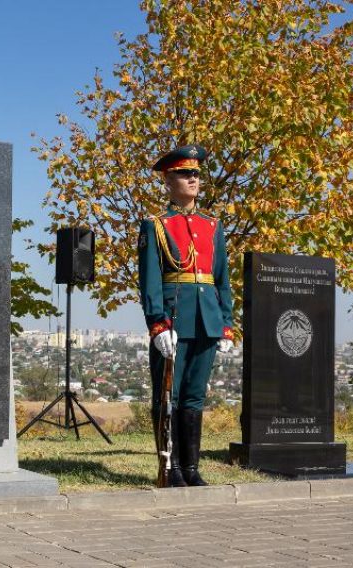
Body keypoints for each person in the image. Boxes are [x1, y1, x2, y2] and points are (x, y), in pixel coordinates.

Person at [137, 144, 233, 487]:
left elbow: (221, 279)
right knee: (168, 396)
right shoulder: (156, 225)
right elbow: (149, 279)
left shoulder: (212, 225)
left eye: (195, 173)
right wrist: (157, 323)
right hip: (174, 320)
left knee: (194, 396)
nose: (193, 179)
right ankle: (171, 467)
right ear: (167, 179)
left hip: (207, 319)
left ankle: (191, 468)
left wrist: (226, 323)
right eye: (184, 173)